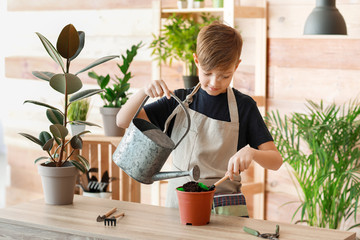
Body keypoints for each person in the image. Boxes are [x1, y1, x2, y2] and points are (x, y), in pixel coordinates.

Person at [116, 22, 283, 217]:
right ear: (196, 61)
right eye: (207, 73)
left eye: (224, 75)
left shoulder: (244, 107)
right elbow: (122, 120)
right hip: (178, 210)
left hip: (224, 213)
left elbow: (276, 161)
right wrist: (143, 92)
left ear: (237, 65)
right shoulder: (176, 102)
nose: (214, 82)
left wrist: (253, 152)